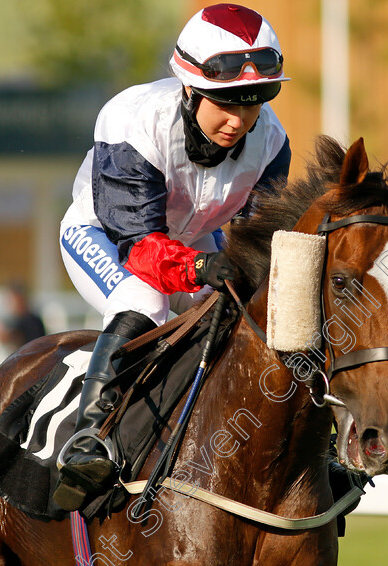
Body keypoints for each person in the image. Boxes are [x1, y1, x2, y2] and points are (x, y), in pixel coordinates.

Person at [55, 3, 291, 512]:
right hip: (104, 234)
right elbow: (138, 243)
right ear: (189, 86)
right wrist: (200, 267)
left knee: (241, 316)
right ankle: (88, 438)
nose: (239, 120)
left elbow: (258, 238)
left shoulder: (271, 142)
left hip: (191, 241)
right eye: (226, 102)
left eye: (254, 102)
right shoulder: (132, 120)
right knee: (147, 303)